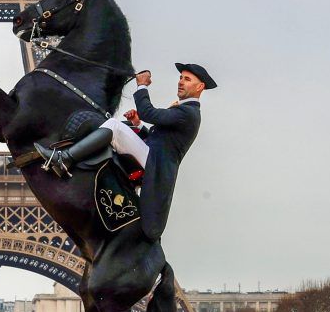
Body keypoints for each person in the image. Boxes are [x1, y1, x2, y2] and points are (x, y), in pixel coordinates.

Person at [34, 62, 217, 241]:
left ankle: (65, 158)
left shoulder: (188, 112)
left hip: (154, 164)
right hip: (152, 157)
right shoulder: (183, 110)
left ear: (200, 86)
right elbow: (162, 140)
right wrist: (138, 124)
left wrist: (142, 86)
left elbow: (149, 113)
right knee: (116, 128)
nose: (180, 81)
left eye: (187, 79)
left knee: (114, 127)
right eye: (180, 78)